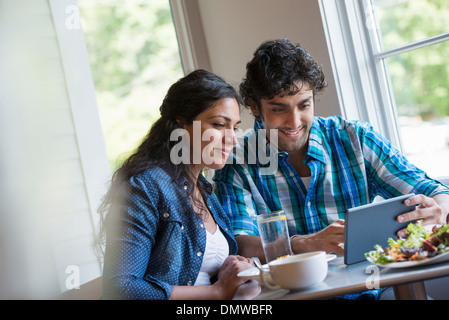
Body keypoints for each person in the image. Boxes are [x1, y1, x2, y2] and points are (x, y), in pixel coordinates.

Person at [212, 39, 449, 299]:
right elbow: (240, 243)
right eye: (279, 109)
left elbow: (433, 191)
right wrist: (303, 243)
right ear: (255, 107)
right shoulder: (237, 163)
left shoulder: (355, 138)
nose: (294, 122)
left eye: (304, 105)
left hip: (374, 291)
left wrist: (438, 207)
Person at [98, 69, 259, 300]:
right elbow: (120, 289)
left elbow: (196, 272)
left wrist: (228, 270)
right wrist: (217, 291)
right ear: (182, 124)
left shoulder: (204, 189)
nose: (232, 139)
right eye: (219, 125)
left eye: (234, 127)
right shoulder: (145, 187)